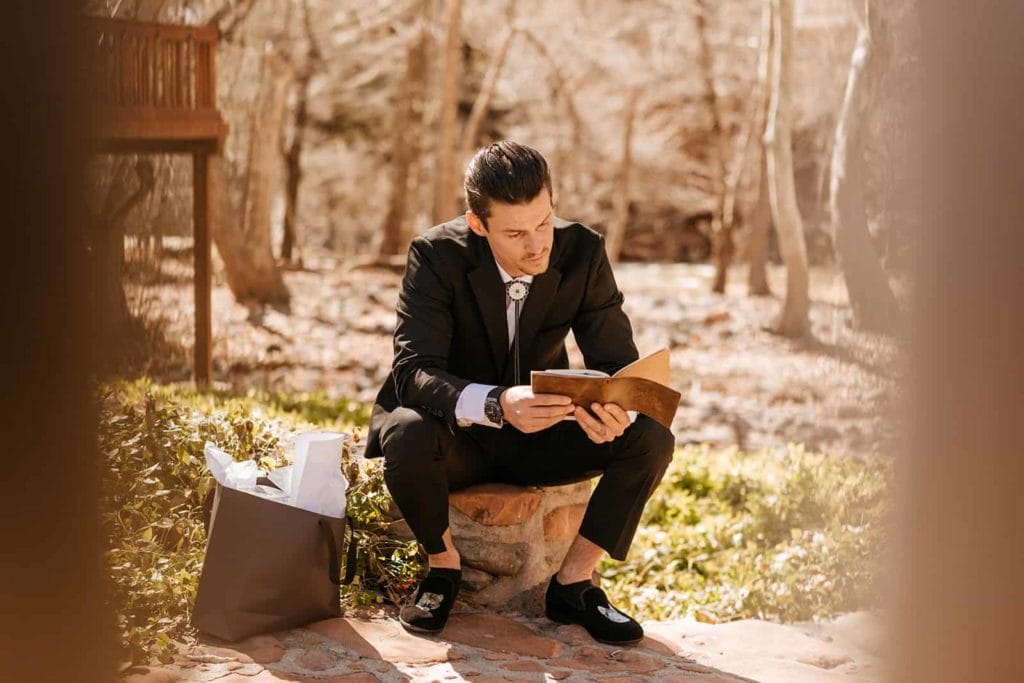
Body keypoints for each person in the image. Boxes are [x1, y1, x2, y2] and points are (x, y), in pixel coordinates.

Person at [363, 141, 674, 645]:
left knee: (652, 437)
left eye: (544, 223)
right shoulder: (435, 255)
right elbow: (414, 371)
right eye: (515, 232)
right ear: (478, 224)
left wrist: (618, 410)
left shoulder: (584, 251)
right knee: (405, 431)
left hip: (544, 434)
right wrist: (495, 403)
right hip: (456, 437)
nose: (537, 246)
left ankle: (574, 585)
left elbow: (617, 362)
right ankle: (442, 567)